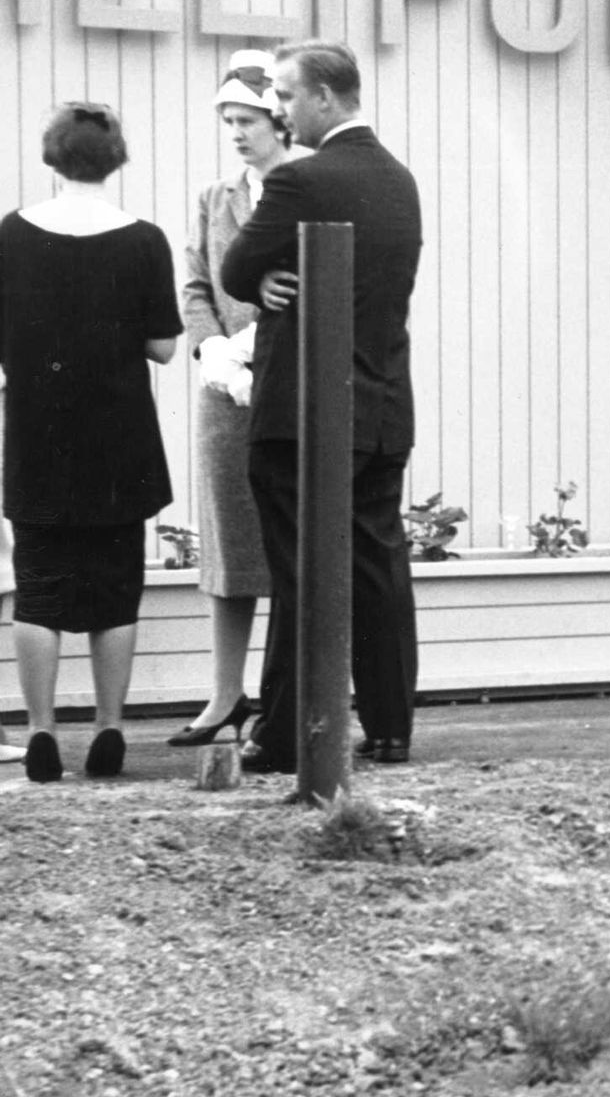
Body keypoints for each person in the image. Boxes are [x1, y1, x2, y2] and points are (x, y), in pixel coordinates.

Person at [221, 40, 425, 772]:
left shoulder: (301, 180)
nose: (278, 109)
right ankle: (391, 727)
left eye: (285, 94)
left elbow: (235, 269)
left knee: (299, 572)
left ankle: (287, 734)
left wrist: (264, 276)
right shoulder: (400, 180)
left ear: (325, 98)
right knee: (378, 566)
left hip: (301, 411)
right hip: (381, 403)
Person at [0, 102, 182, 781]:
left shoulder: (11, 234)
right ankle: (109, 726)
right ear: (115, 160)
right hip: (119, 440)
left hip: (38, 434)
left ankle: (41, 730)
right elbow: (164, 346)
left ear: (53, 157)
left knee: (38, 590)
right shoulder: (144, 240)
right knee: (116, 591)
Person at [170, 50, 291, 747]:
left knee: (294, 543)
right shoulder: (216, 198)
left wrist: (257, 342)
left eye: (249, 120)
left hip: (288, 382)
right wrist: (212, 348)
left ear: (279, 119)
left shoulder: (307, 186)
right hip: (225, 393)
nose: (239, 133)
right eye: (230, 122)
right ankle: (225, 696)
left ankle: (300, 693)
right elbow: (195, 283)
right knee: (230, 544)